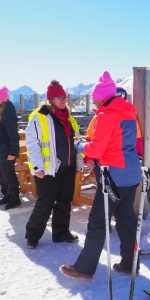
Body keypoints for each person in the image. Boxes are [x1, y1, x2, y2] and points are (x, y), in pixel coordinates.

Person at [60, 71, 142, 280]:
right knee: (125, 220)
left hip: (114, 177)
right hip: (131, 175)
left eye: (95, 96)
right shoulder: (128, 113)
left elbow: (95, 150)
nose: (94, 99)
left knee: (98, 222)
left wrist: (80, 144)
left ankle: (84, 268)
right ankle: (130, 263)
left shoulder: (106, 115)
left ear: (101, 97)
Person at [25, 80, 83, 249]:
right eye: (59, 97)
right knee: (46, 202)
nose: (63, 100)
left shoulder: (70, 118)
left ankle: (61, 233)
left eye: (64, 97)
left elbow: (76, 142)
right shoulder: (40, 117)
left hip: (68, 167)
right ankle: (33, 235)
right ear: (50, 99)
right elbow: (32, 144)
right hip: (49, 169)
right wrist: (37, 167)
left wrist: (78, 162)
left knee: (65, 201)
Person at [0, 86, 21, 210]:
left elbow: (13, 133)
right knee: (2, 175)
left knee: (8, 175)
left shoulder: (7, 110)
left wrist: (13, 151)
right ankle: (6, 194)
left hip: (7, 150)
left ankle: (14, 198)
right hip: (1, 149)